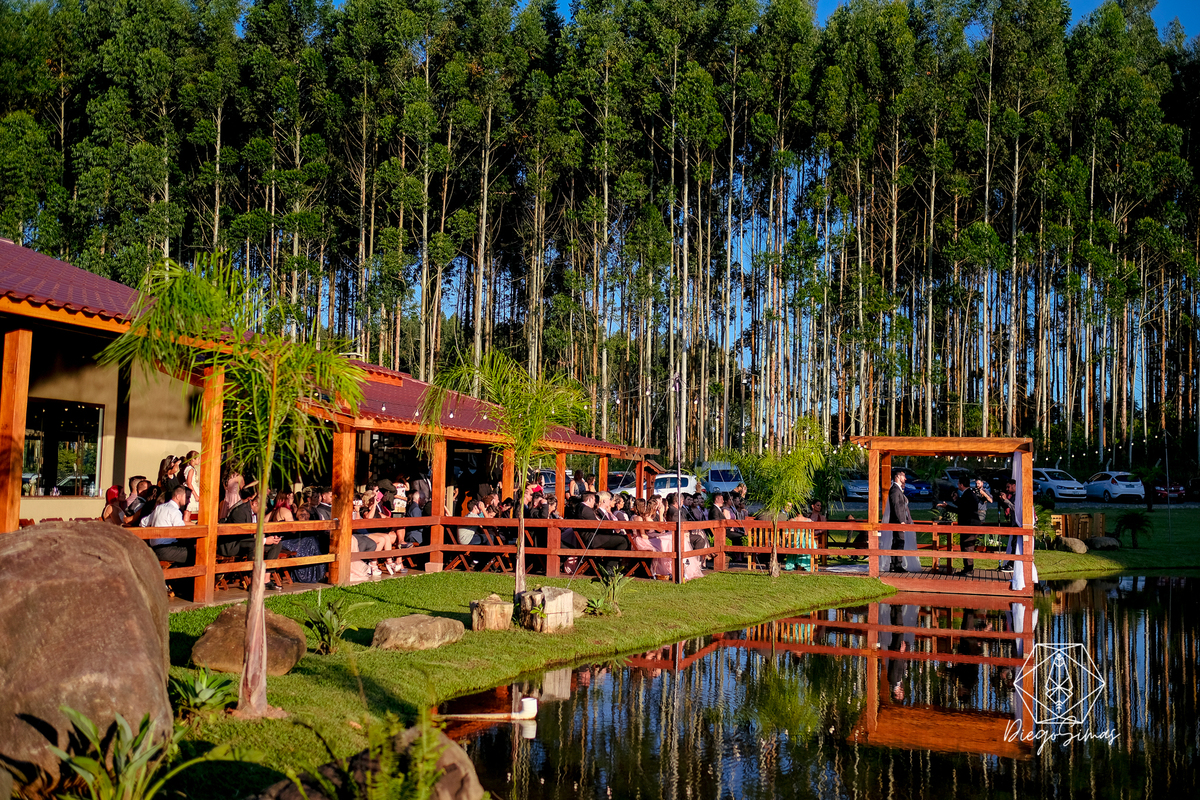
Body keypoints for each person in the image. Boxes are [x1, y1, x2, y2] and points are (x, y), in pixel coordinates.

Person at [146, 486, 191, 565]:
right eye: (187, 497)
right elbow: (182, 533)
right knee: (195, 554)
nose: (189, 500)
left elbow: (143, 522)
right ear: (178, 496)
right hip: (167, 549)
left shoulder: (159, 508)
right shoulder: (175, 511)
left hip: (155, 548)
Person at [887, 468, 913, 573]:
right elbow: (896, 506)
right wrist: (901, 521)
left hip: (900, 521)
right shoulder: (894, 490)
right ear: (898, 477)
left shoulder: (898, 489)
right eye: (903, 476)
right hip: (898, 522)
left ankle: (894, 564)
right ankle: (897, 564)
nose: (905, 478)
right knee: (899, 542)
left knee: (898, 542)